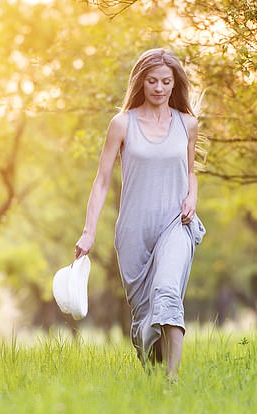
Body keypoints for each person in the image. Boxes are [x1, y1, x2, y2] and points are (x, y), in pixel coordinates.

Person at [75, 48, 206, 377]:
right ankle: (154, 375)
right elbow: (102, 179)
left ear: (175, 83)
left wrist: (192, 196)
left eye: (166, 81)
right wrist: (88, 233)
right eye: (152, 81)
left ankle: (172, 381)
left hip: (176, 223)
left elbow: (191, 171)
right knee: (145, 317)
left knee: (167, 293)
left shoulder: (187, 124)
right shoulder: (122, 124)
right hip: (133, 230)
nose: (159, 88)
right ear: (140, 82)